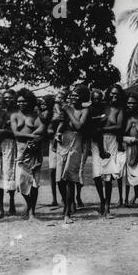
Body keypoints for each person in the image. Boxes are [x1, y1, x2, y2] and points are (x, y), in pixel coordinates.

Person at [55, 84, 89, 224]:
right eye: (72, 95)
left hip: (76, 143)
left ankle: (67, 212)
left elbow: (79, 126)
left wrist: (69, 111)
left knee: (69, 179)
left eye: (76, 95)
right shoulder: (66, 108)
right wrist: (57, 134)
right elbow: (61, 124)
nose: (73, 97)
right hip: (63, 142)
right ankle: (68, 203)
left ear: (82, 98)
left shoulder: (85, 111)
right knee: (59, 180)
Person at [91, 84, 126, 218]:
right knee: (96, 174)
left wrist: (103, 130)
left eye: (117, 94)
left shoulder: (119, 109)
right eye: (112, 93)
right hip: (97, 141)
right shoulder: (102, 106)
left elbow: (119, 126)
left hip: (111, 141)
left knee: (108, 175)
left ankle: (107, 207)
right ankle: (102, 200)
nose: (114, 96)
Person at [10, 88, 45, 220]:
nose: (21, 104)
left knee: (34, 183)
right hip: (20, 150)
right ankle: (30, 206)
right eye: (19, 101)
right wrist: (32, 136)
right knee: (20, 182)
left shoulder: (35, 116)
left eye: (24, 101)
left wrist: (36, 139)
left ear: (29, 101)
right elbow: (15, 133)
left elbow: (42, 129)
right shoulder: (14, 116)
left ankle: (32, 212)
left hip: (34, 151)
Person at [1, 89, 18, 214]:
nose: (8, 100)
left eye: (10, 97)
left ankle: (12, 203)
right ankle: (1, 207)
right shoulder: (1, 111)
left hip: (11, 143)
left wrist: (5, 131)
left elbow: (17, 132)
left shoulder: (17, 112)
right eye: (6, 98)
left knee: (10, 173)